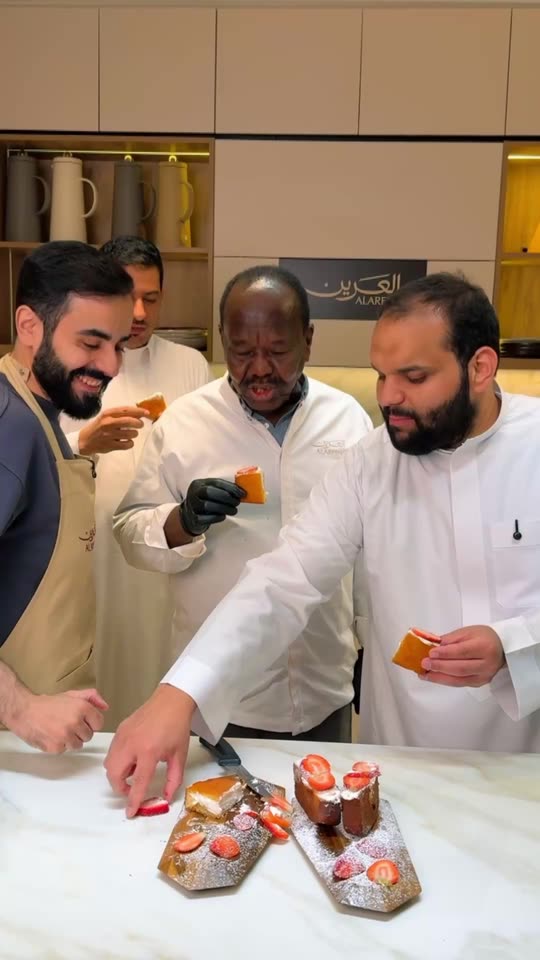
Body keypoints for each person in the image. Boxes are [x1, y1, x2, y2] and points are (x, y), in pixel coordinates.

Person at [105, 271, 540, 815]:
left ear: (480, 367)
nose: (388, 397)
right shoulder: (371, 460)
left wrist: (515, 645)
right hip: (402, 759)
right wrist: (180, 692)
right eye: (381, 375)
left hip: (525, 760)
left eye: (413, 377)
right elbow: (284, 579)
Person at [113, 264, 372, 747]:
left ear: (308, 340)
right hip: (218, 696)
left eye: (277, 351)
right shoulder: (184, 423)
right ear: (223, 340)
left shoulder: (347, 420)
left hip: (324, 687)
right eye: (242, 351)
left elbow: (368, 549)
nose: (259, 369)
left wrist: (368, 645)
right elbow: (129, 532)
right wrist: (181, 522)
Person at [61, 237, 209, 729]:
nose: (140, 312)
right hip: (92, 556)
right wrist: (85, 441)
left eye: (152, 297)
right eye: (129, 296)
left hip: (168, 556)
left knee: (158, 666)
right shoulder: (70, 365)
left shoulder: (190, 365)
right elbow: (37, 454)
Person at [0, 241, 134, 752]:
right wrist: (20, 708)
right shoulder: (9, 426)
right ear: (30, 326)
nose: (111, 365)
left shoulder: (40, 414)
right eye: (91, 343)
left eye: (119, 345)